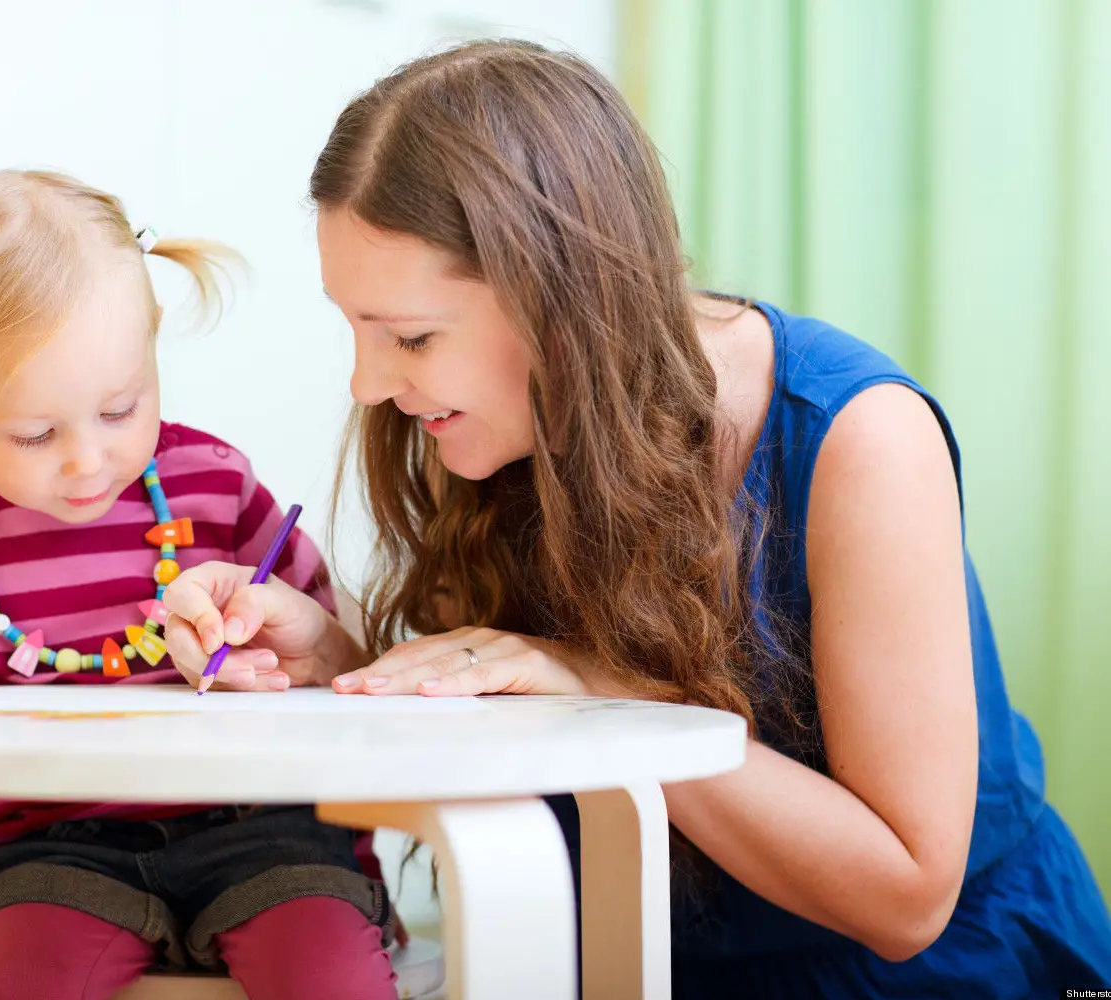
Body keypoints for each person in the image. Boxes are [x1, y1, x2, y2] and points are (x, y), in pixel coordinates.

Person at [163, 40, 1111, 997]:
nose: (368, 383)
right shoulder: (498, 426)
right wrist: (337, 658)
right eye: (356, 327)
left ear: (560, 302)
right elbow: (511, 687)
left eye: (410, 337)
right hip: (630, 959)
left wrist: (601, 695)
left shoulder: (859, 439)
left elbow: (906, 898)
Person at [0, 169, 398, 1000]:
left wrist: (277, 643)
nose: (87, 459)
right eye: (34, 433)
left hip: (262, 830)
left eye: (120, 409)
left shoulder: (213, 485)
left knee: (331, 978)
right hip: (45, 855)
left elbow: (349, 666)